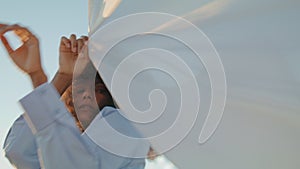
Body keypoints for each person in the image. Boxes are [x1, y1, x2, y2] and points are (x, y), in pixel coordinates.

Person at [1, 23, 150, 169]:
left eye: (100, 90)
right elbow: (18, 152)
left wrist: (38, 78)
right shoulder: (66, 145)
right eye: (79, 91)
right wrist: (62, 76)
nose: (87, 95)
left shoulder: (124, 125)